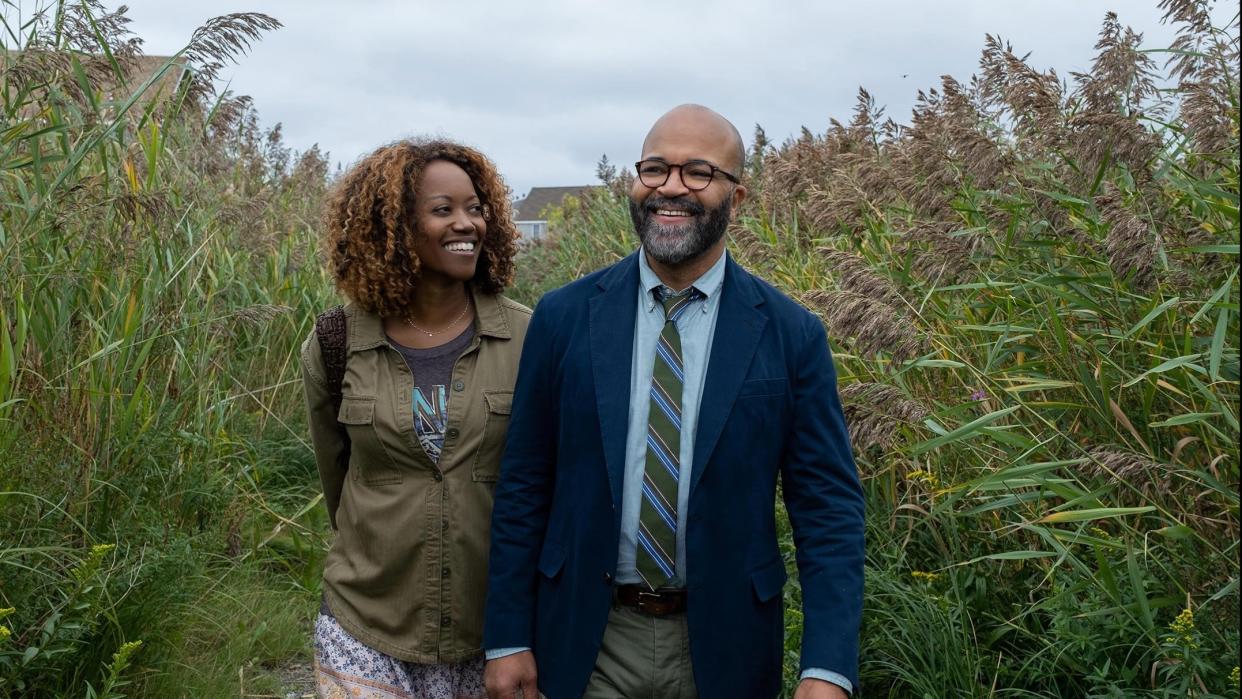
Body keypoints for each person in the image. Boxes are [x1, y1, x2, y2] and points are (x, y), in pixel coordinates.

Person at [482, 104, 864, 699]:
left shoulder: (791, 334)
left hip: (725, 642)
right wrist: (507, 637)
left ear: (737, 199)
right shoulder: (564, 317)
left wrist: (827, 667)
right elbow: (524, 482)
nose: (671, 188)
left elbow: (828, 511)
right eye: (655, 169)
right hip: (590, 633)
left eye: (698, 173)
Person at [301, 139, 530, 699]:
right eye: (442, 209)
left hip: (492, 635)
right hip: (365, 622)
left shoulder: (531, 339)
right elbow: (339, 481)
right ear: (393, 227)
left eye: (476, 208)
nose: (467, 223)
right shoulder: (336, 343)